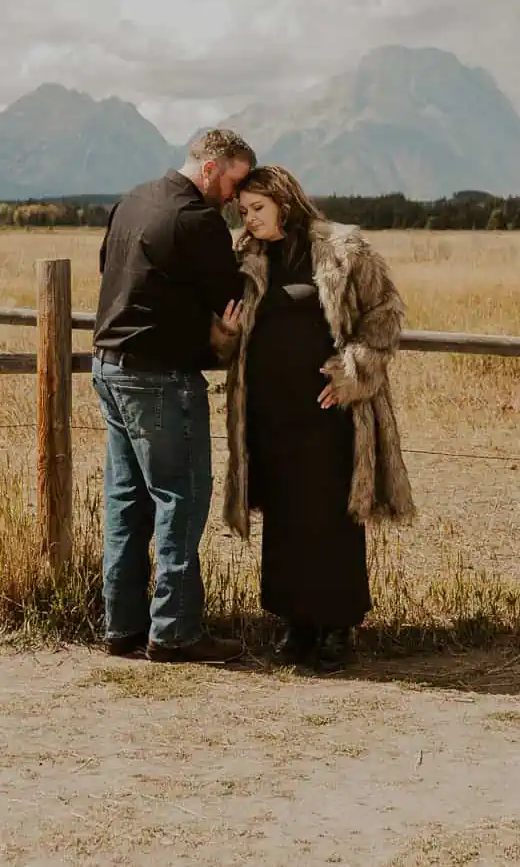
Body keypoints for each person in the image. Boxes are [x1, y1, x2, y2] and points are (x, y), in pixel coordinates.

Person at [212, 164, 415, 673]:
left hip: (329, 414)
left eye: (258, 208)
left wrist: (353, 372)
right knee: (283, 518)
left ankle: (337, 626)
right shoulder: (247, 259)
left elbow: (385, 316)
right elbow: (228, 334)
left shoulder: (343, 251)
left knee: (331, 517)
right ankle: (295, 624)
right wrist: (226, 334)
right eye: (243, 211)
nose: (250, 219)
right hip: (267, 413)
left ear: (285, 200)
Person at [92, 128, 256, 663]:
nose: (234, 197)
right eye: (233, 182)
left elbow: (109, 271)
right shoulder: (198, 220)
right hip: (160, 376)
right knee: (180, 500)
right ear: (211, 169)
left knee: (126, 503)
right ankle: (177, 633)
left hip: (108, 366)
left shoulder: (132, 199)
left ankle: (122, 628)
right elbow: (233, 299)